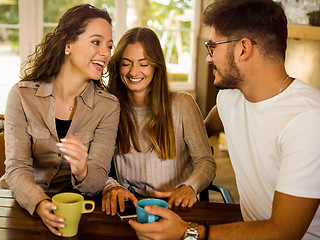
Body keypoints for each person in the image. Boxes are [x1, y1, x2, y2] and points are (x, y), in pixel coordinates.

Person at [129, 0, 320, 239]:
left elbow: (284, 231)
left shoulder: (308, 120)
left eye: (212, 47)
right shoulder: (230, 100)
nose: (209, 58)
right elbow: (204, 129)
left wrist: (187, 232)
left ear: (243, 49)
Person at [0, 4, 120, 236]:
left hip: (73, 210)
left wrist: (83, 170)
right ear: (68, 44)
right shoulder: (22, 95)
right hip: (22, 206)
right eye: (96, 42)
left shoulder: (108, 107)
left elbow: (97, 180)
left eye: (109, 45)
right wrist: (40, 203)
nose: (106, 53)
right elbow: (17, 169)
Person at [101, 27, 216, 216]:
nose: (134, 71)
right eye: (126, 63)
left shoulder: (182, 104)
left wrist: (190, 187)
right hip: (131, 206)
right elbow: (95, 164)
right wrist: (110, 186)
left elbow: (206, 161)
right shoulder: (109, 107)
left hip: (176, 206)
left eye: (144, 64)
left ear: (156, 66)